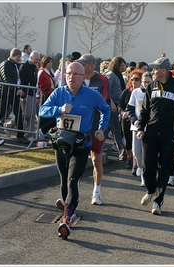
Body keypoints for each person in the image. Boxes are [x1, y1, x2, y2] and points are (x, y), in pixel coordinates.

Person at [39, 62, 110, 239]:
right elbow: (43, 110)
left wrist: (101, 129)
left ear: (83, 76)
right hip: (61, 143)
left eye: (76, 74)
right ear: (65, 76)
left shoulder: (92, 95)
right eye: (69, 73)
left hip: (81, 144)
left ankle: (67, 218)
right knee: (64, 180)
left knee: (73, 180)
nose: (72, 77)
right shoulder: (59, 93)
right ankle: (69, 209)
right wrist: (58, 110)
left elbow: (106, 110)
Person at [137, 57, 174, 215]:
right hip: (151, 132)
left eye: (155, 69)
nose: (152, 71)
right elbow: (145, 110)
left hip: (169, 134)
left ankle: (158, 202)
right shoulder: (151, 86)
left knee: (165, 168)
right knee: (148, 167)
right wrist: (140, 127)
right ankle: (151, 190)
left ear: (164, 70)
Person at [75, 54, 110, 205]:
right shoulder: (78, 78)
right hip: (78, 127)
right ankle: (71, 194)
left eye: (83, 64)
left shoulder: (102, 80)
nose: (80, 66)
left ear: (91, 66)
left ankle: (97, 191)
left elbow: (103, 102)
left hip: (95, 127)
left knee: (96, 160)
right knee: (75, 162)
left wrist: (102, 128)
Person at [0, 48, 29, 144]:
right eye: (18, 57)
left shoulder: (15, 65)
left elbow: (17, 79)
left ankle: (20, 135)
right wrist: (17, 89)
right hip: (6, 92)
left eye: (20, 57)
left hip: (13, 93)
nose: (19, 58)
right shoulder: (5, 64)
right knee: (2, 113)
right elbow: (6, 79)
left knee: (18, 113)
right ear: (12, 56)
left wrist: (19, 90)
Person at [127, 71, 152, 186]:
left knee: (147, 152)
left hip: (150, 127)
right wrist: (134, 120)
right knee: (136, 151)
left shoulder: (155, 93)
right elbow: (130, 108)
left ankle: (145, 176)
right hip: (137, 126)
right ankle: (141, 168)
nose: (146, 84)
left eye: (148, 82)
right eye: (144, 82)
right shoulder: (136, 92)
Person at [103, 56, 127, 161]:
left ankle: (98, 146)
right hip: (111, 104)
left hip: (117, 103)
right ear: (116, 64)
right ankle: (122, 151)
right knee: (116, 128)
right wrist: (111, 103)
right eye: (122, 65)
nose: (123, 68)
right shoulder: (111, 75)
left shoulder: (118, 75)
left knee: (106, 128)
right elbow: (106, 90)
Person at [119, 69, 143, 170]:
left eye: (136, 79)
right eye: (132, 79)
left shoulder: (144, 92)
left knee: (137, 143)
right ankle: (129, 157)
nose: (134, 81)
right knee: (128, 141)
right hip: (127, 119)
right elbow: (120, 106)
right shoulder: (126, 92)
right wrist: (123, 112)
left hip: (138, 121)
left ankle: (136, 163)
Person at [19, 51, 40, 140]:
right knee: (27, 114)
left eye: (38, 60)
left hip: (32, 93)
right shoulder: (24, 67)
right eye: (36, 59)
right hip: (25, 93)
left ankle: (29, 134)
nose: (37, 61)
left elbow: (34, 81)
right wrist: (23, 96)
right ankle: (11, 123)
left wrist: (35, 92)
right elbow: (21, 81)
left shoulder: (34, 68)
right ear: (31, 58)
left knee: (31, 114)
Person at [36, 56, 57, 139]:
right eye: (48, 62)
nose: (50, 64)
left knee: (49, 115)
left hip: (50, 96)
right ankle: (40, 131)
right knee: (44, 115)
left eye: (51, 62)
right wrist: (37, 96)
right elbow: (37, 84)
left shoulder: (51, 71)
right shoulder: (41, 71)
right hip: (43, 96)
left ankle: (43, 130)